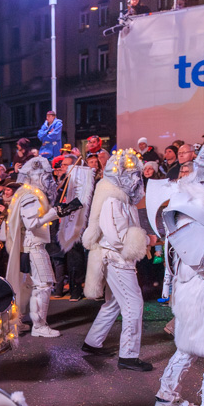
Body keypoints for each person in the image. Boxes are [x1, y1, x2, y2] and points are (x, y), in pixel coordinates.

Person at [152, 132, 204, 406]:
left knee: (189, 348)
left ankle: (166, 402)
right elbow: (203, 257)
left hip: (193, 286)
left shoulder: (192, 196)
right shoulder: (200, 201)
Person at [81, 149, 152, 370]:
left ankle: (93, 342)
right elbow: (116, 236)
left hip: (118, 256)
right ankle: (128, 356)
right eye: (129, 172)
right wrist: (145, 241)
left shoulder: (120, 197)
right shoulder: (113, 199)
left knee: (113, 303)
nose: (134, 178)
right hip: (117, 258)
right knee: (133, 303)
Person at [5, 156, 80, 337]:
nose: (50, 180)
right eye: (45, 177)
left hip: (30, 246)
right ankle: (38, 326)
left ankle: (16, 322)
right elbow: (32, 223)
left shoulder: (30, 193)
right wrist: (55, 212)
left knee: (27, 286)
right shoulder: (30, 196)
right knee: (44, 285)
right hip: (33, 246)